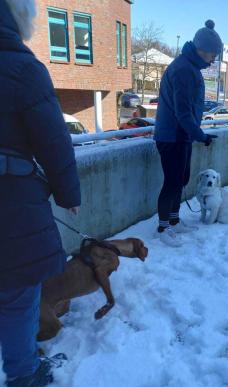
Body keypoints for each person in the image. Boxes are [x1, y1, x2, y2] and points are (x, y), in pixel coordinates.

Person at [0, 0, 81, 385]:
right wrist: (69, 195)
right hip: (11, 204)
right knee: (16, 295)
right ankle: (24, 375)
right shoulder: (21, 69)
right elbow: (54, 141)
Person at [154, 20, 221, 246]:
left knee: (180, 180)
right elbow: (183, 113)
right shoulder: (183, 69)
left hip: (181, 135)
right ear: (203, 50)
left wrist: (194, 134)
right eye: (213, 55)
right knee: (172, 182)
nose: (213, 60)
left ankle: (174, 221)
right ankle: (163, 227)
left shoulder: (189, 67)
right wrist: (201, 135)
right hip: (172, 135)